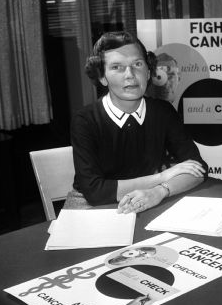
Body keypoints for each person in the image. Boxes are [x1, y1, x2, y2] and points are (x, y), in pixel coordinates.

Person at [67, 31, 206, 214]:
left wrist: (160, 191)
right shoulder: (85, 120)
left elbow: (198, 168)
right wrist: (163, 177)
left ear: (148, 72)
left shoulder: (163, 111)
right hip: (93, 207)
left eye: (137, 64)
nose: (130, 75)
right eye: (117, 67)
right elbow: (95, 192)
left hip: (147, 198)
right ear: (102, 77)